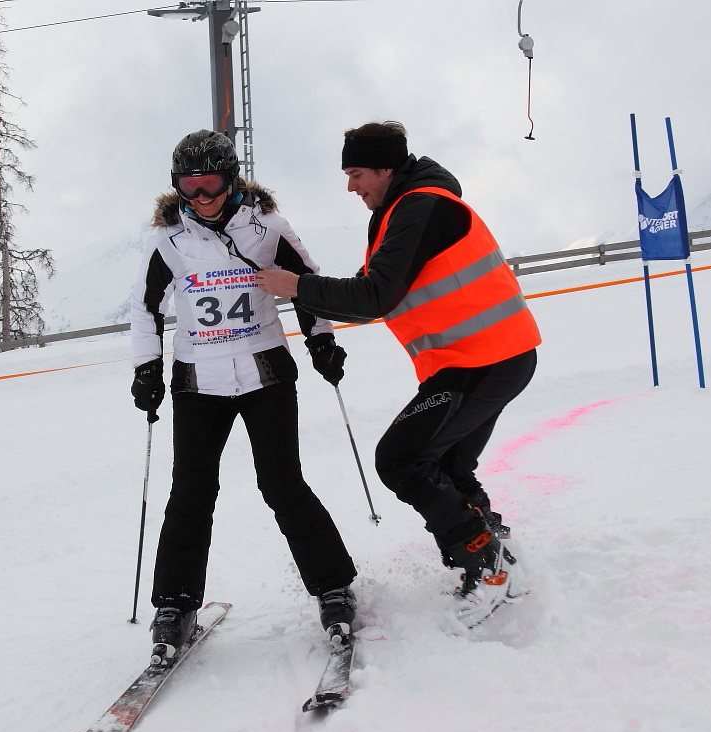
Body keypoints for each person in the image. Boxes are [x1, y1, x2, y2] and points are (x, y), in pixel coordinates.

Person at [253, 121, 542, 628]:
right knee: (444, 462)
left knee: (401, 459)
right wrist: (310, 296)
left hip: (482, 359)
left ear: (386, 168)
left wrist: (297, 286)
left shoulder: (419, 207)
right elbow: (372, 292)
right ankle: (492, 550)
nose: (351, 187)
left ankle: (489, 567)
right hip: (485, 358)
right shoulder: (404, 208)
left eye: (357, 174)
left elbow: (374, 297)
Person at [129, 129, 358, 664]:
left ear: (231, 179)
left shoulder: (267, 227)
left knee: (282, 484)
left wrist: (321, 340)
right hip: (198, 381)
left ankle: (333, 586)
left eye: (210, 183)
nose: (200, 196)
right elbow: (145, 307)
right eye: (189, 185)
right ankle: (174, 604)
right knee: (191, 491)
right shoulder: (165, 239)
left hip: (265, 373)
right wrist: (146, 367)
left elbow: (307, 281)